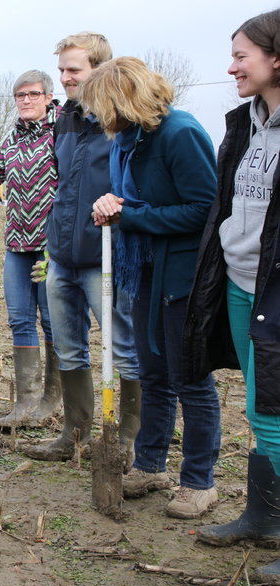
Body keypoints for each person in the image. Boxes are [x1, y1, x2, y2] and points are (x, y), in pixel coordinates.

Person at [84, 57, 221, 519]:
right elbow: (128, 198)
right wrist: (110, 204)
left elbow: (204, 209)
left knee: (191, 380)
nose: (100, 118)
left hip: (181, 276)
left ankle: (199, 482)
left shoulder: (179, 133)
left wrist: (131, 215)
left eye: (104, 107)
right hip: (141, 266)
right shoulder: (128, 140)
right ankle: (150, 464)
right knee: (153, 372)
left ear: (126, 100)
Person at [184, 8, 280, 580]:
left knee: (274, 409)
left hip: (276, 287)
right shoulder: (244, 124)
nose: (231, 66)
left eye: (242, 56)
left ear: (276, 60)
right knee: (258, 406)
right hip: (241, 283)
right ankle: (264, 517)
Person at [21, 33, 142, 464]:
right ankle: (73, 434)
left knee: (124, 347)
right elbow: (64, 186)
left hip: (106, 256)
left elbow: (133, 187)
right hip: (63, 256)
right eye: (62, 70)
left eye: (74, 69)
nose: (65, 78)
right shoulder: (66, 118)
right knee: (69, 346)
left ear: (99, 69)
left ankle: (126, 439)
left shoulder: (122, 120)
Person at [0, 70, 61, 430]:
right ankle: (26, 401)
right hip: (17, 245)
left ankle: (52, 399)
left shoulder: (62, 134)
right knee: (20, 319)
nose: (25, 100)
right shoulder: (12, 140)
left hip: (52, 248)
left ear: (48, 98)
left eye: (33, 94)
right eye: (20, 95)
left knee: (53, 321)